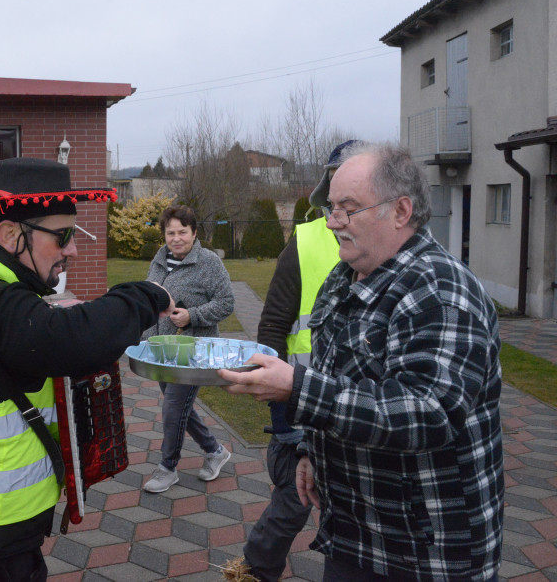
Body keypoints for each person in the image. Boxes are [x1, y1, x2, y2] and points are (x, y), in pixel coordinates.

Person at [220, 142, 503, 582]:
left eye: (346, 209)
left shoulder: (441, 290)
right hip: (355, 533)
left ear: (400, 211)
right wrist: (313, 452)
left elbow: (427, 412)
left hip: (425, 549)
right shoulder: (347, 275)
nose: (332, 222)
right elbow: (338, 370)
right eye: (331, 208)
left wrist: (298, 388)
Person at [0, 158, 174, 582]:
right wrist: (148, 294)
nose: (73, 250)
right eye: (62, 236)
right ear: (9, 234)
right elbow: (77, 339)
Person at [226, 141, 355, 582]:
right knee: (298, 493)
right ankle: (256, 567)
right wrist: (281, 404)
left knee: (326, 496)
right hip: (300, 401)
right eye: (335, 196)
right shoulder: (305, 241)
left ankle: (258, 565)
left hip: (355, 406)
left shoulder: (393, 253)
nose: (340, 212)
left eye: (352, 199)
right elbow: (273, 326)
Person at [140, 205, 235, 493]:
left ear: (194, 233)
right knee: (180, 408)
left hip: (194, 350)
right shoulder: (158, 261)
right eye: (171, 232)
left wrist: (192, 315)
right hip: (161, 350)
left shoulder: (208, 262)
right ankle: (215, 450)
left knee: (171, 410)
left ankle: (167, 468)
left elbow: (226, 302)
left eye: (183, 231)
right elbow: (149, 298)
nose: (176, 238)